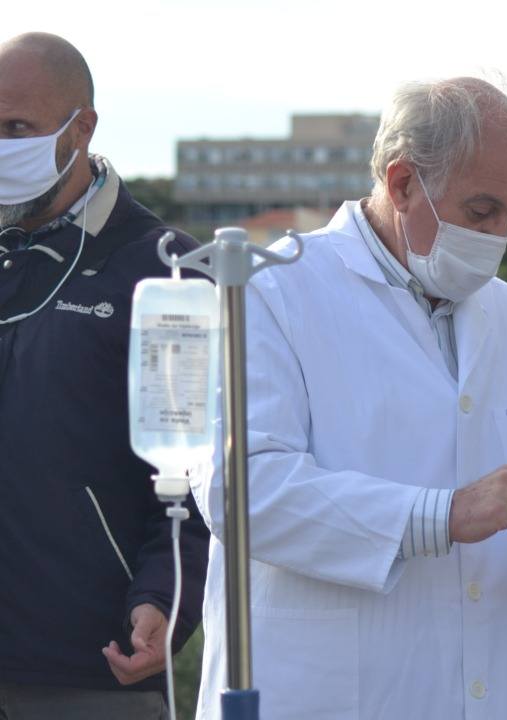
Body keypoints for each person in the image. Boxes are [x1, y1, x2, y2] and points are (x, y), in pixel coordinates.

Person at [191, 77, 507, 720]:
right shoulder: (271, 289)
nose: (498, 236)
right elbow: (239, 490)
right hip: (317, 698)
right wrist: (441, 515)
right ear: (402, 182)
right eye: (481, 211)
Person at [0, 32, 210, 719]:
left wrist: (165, 601)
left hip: (92, 669)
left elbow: (197, 476)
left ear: (81, 127)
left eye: (16, 128)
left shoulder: (165, 273)